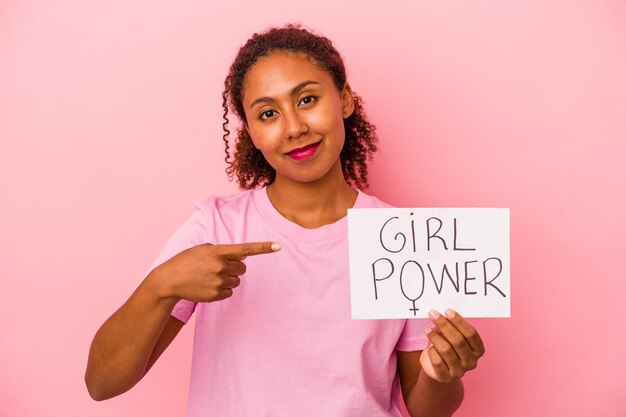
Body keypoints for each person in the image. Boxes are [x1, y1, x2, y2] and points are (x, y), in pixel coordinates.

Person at [85, 24, 485, 417]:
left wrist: (442, 374)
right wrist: (162, 285)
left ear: (344, 100)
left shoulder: (401, 238)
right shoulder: (215, 227)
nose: (294, 128)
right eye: (268, 113)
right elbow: (102, 384)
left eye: (307, 100)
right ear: (252, 133)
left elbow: (428, 409)